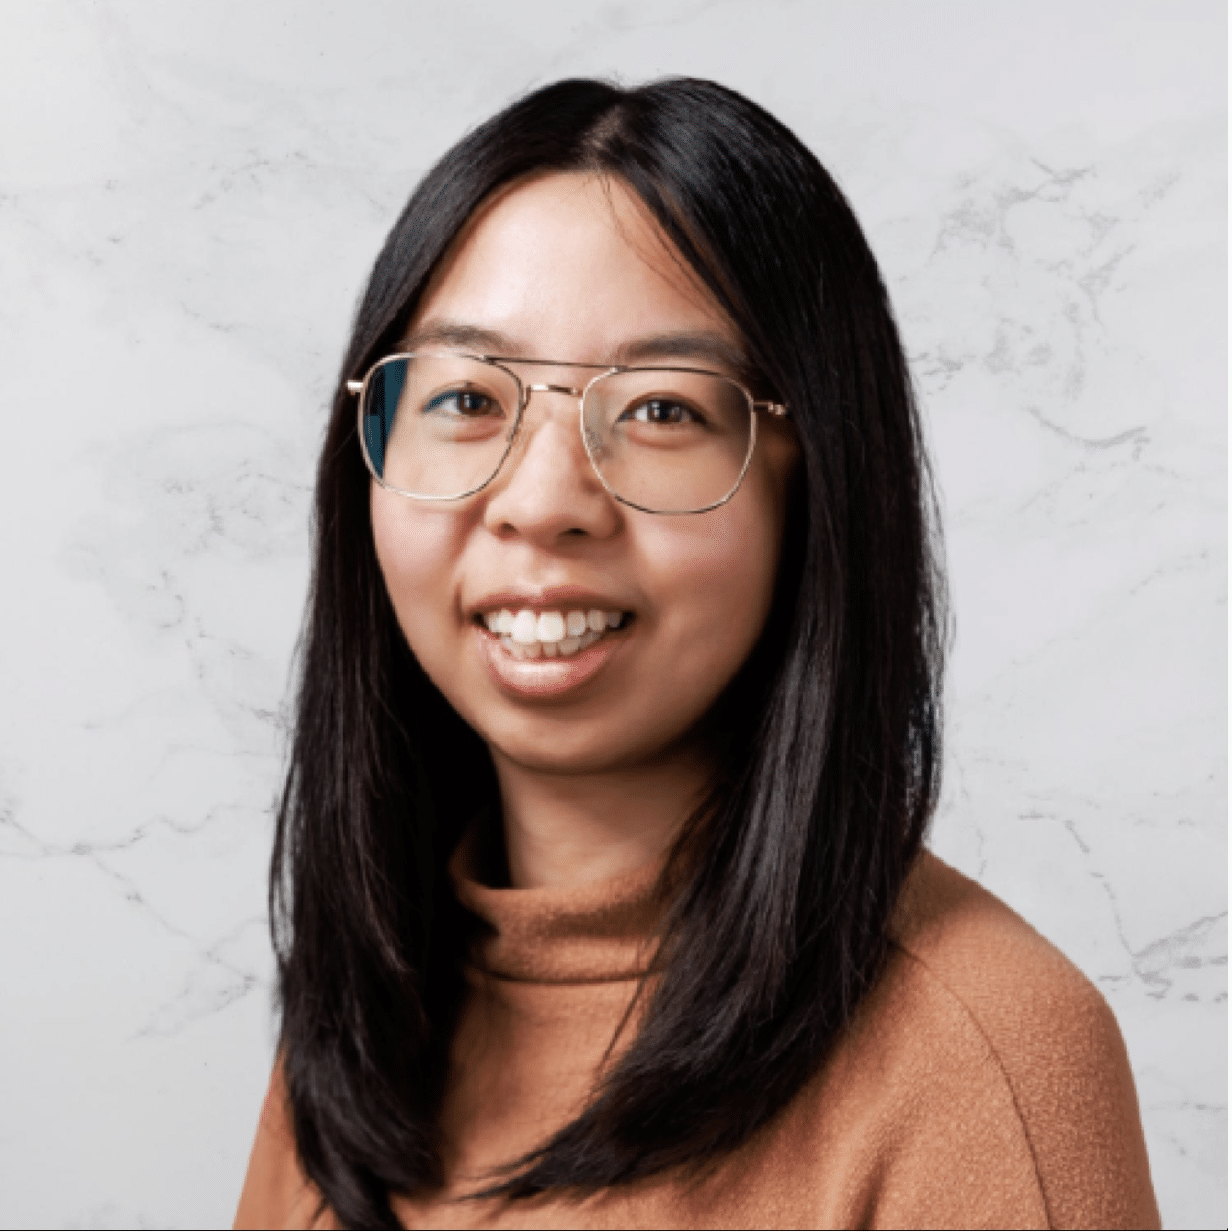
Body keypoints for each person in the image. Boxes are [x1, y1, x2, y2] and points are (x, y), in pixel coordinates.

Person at [233, 77, 1160, 1230]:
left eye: (662, 409)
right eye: (468, 394)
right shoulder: (371, 1018)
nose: (541, 502)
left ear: (811, 482)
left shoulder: (988, 1058)